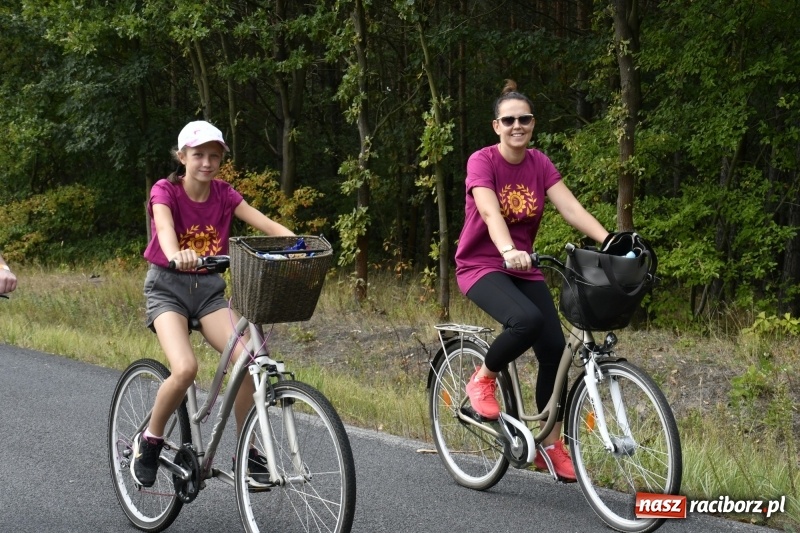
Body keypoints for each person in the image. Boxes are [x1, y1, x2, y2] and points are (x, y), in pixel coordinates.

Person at [454, 80, 610, 482]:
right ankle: (482, 379)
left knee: (554, 351)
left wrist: (611, 241)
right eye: (509, 120)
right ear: (496, 126)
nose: (517, 126)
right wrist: (507, 250)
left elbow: (571, 207)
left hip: (524, 267)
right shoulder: (482, 161)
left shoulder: (539, 163)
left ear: (532, 123)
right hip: (482, 264)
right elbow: (490, 213)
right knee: (526, 320)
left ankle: (550, 444)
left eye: (524, 119)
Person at [131, 120, 296, 489]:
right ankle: (151, 441)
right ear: (182, 156)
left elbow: (266, 224)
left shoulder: (224, 194)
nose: (207, 162)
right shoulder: (165, 191)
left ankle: (247, 452)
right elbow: (165, 229)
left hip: (208, 292)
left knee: (248, 361)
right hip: (168, 289)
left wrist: (299, 245)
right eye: (199, 154)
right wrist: (177, 255)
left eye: (214, 156)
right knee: (186, 367)